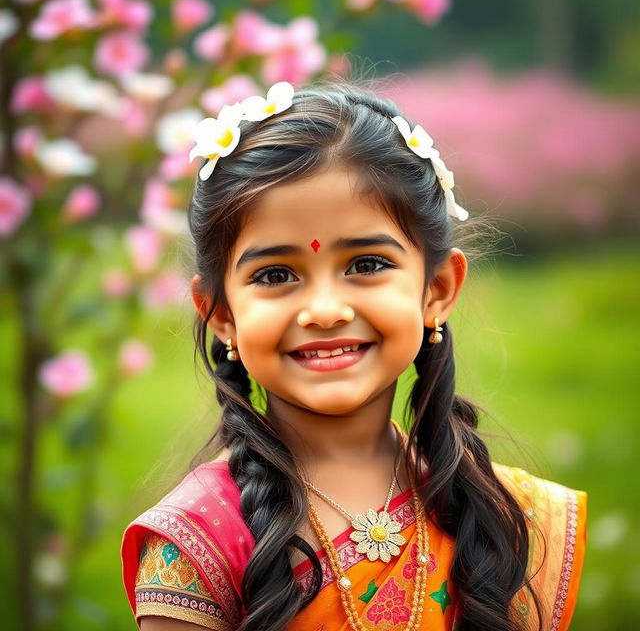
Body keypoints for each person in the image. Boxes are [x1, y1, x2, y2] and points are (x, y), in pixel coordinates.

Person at [120, 81, 587, 631]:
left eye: (366, 265)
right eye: (275, 275)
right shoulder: (200, 539)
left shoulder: (511, 518)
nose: (324, 310)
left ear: (436, 289)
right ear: (220, 313)